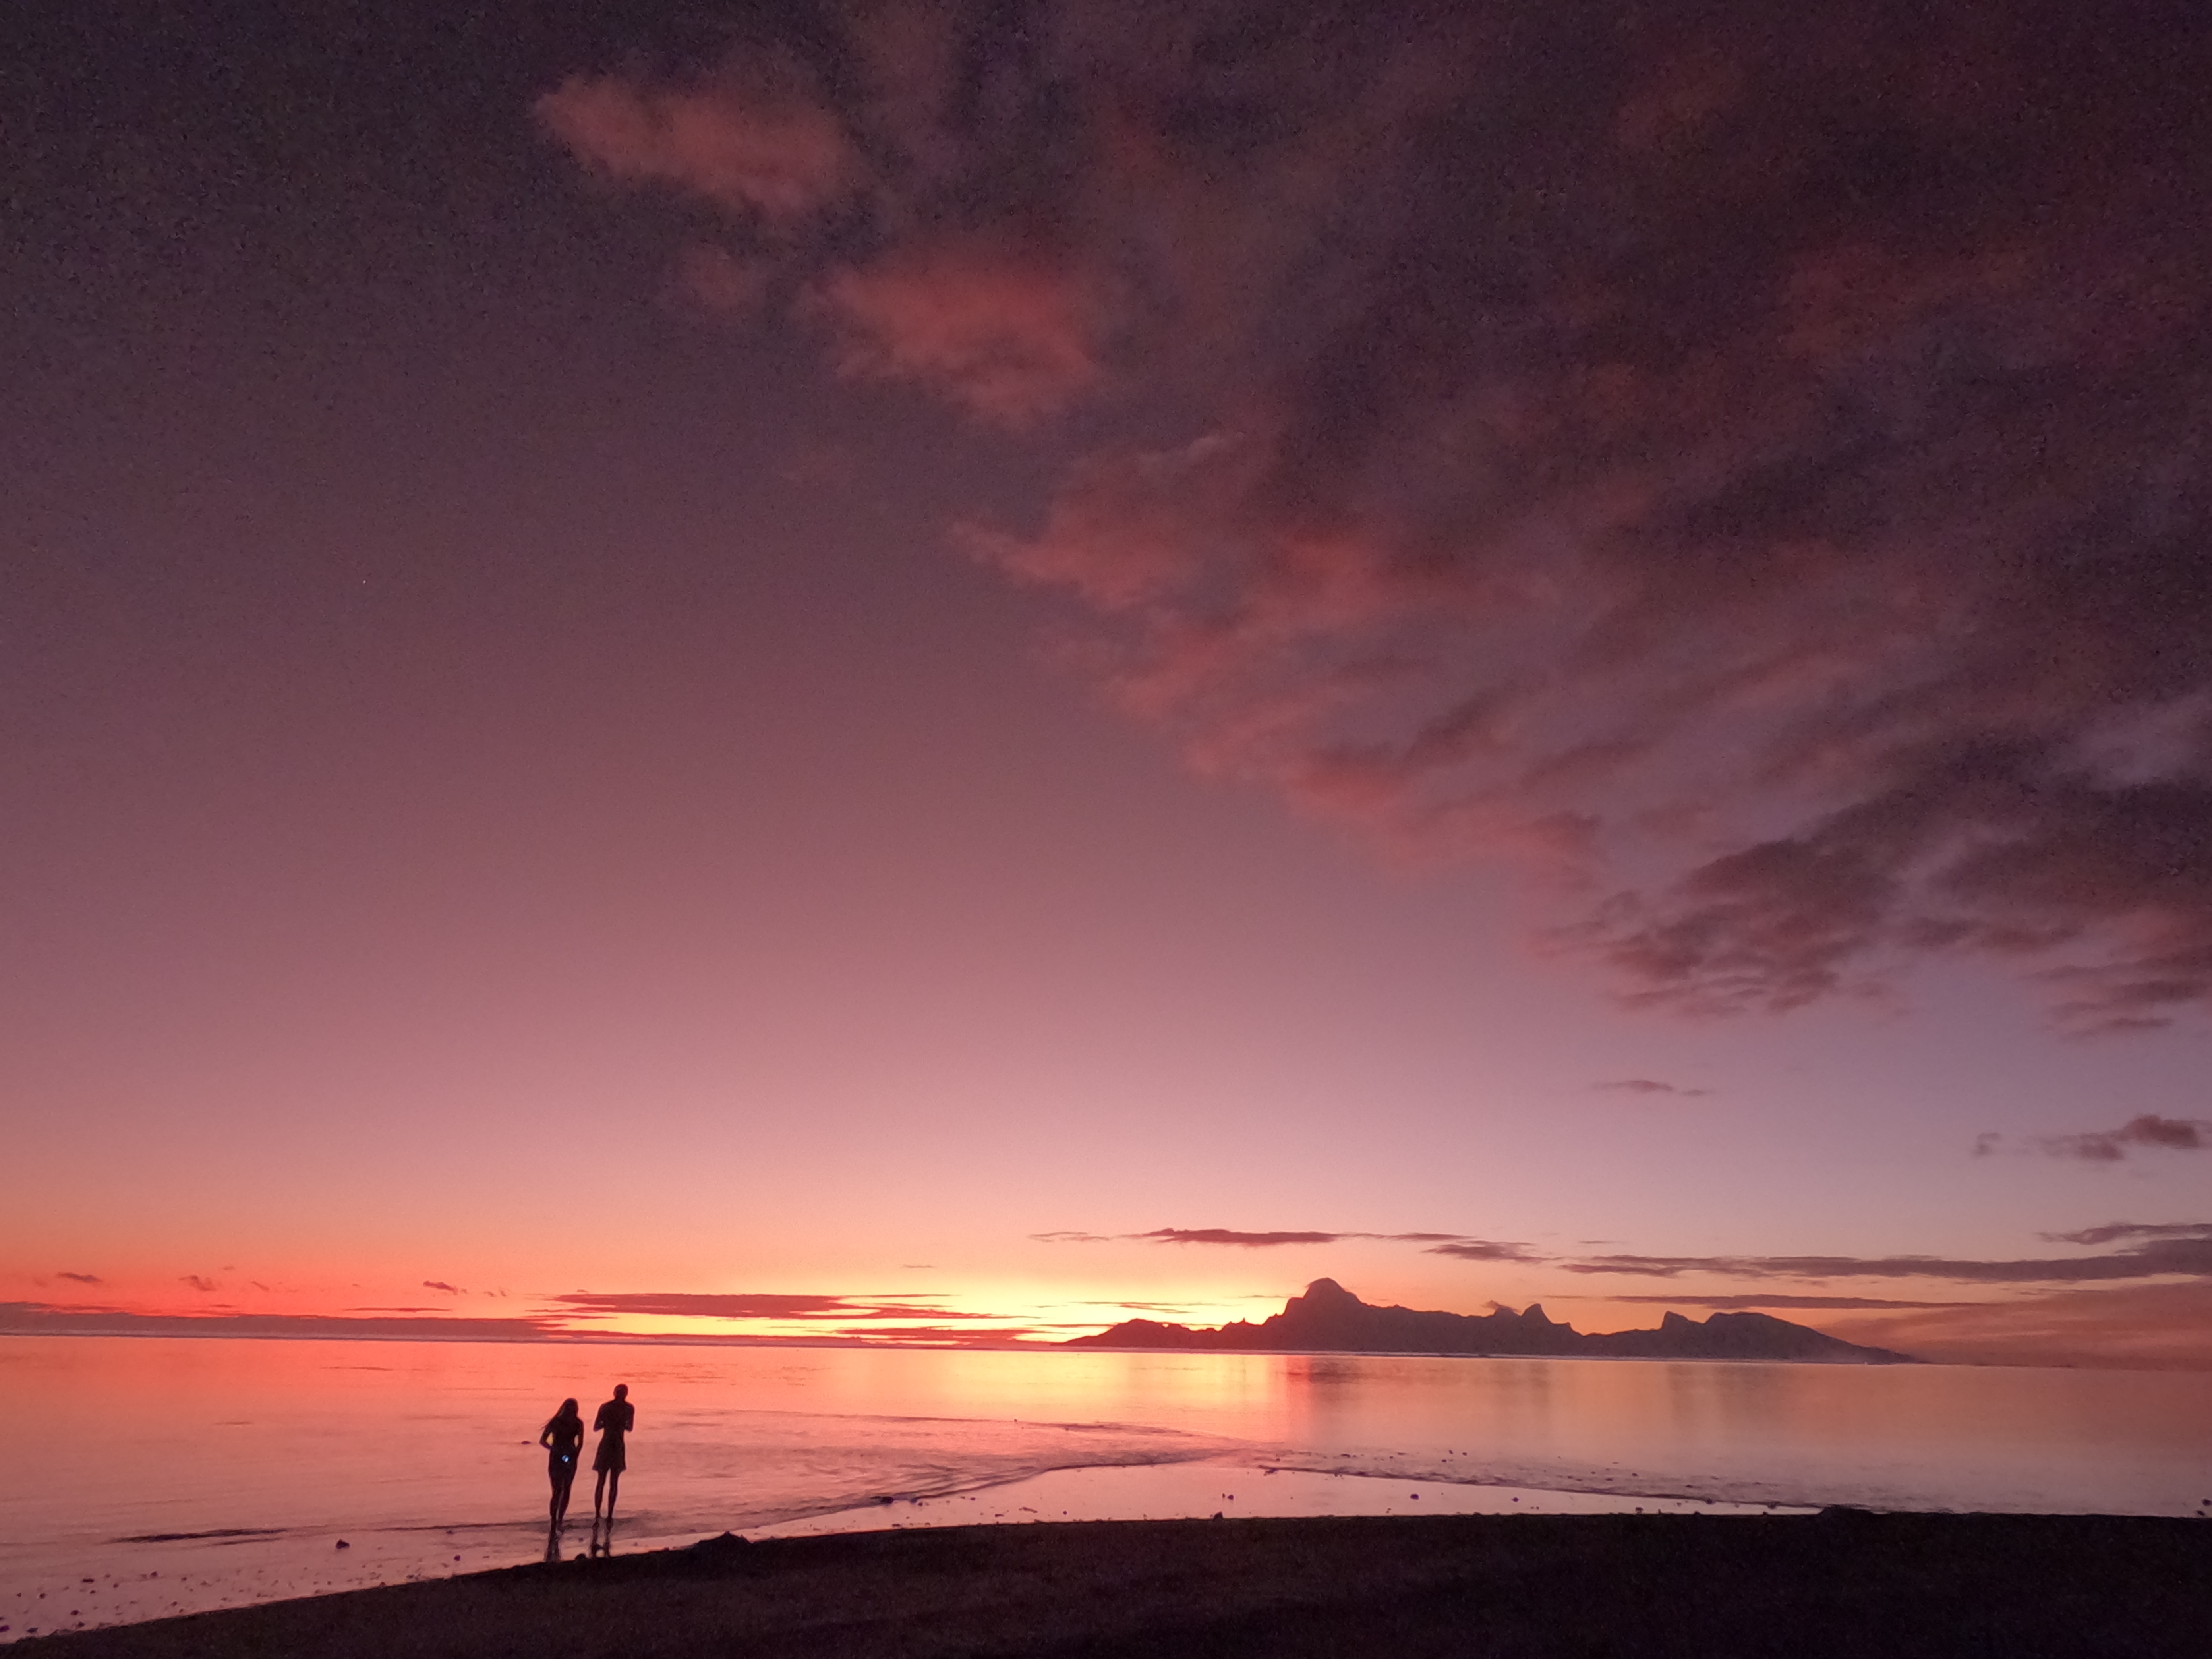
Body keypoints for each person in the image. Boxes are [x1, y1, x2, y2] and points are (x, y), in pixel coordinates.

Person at [591, 1383, 634, 1526]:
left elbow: (597, 1427)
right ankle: (609, 1515)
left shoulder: (606, 1407)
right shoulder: (629, 1409)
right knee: (613, 1483)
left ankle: (598, 1515)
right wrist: (619, 1423)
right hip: (617, 1445)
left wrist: (609, 1423)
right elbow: (630, 1428)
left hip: (607, 1444)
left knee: (602, 1481)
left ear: (615, 1393)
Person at [538, 1398, 584, 1527]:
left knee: (565, 1490)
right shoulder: (557, 1422)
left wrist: (574, 1456)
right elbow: (543, 1441)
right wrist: (555, 1450)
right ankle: (555, 1520)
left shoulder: (578, 1424)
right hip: (558, 1458)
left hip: (569, 1457)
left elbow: (580, 1444)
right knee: (558, 1490)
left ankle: (559, 1519)